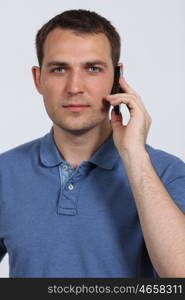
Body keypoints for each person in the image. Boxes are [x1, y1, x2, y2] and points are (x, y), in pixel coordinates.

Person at [0, 9, 185, 278]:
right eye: (59, 69)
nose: (75, 86)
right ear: (39, 79)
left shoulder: (167, 172)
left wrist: (134, 156)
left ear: (116, 78)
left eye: (93, 68)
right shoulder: (5, 172)